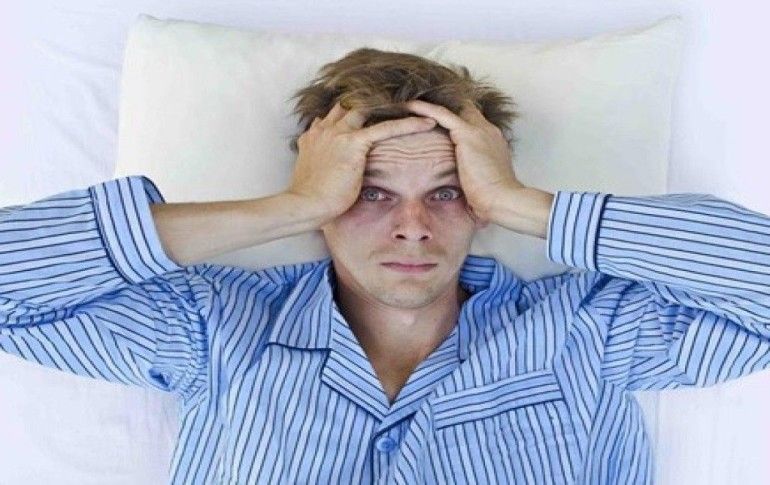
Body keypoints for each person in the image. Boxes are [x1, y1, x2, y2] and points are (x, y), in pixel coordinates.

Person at [1, 47, 768, 485]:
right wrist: (288, 207)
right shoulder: (213, 326)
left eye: (447, 191)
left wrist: (522, 201)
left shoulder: (586, 330)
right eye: (370, 192)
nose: (412, 226)